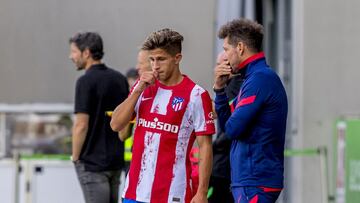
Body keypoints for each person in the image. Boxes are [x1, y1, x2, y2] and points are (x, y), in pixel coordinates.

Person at [111, 28, 215, 203]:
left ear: (177, 58)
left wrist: (202, 192)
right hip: (134, 192)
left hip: (173, 193)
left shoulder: (196, 95)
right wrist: (137, 91)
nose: (155, 66)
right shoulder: (142, 87)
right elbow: (116, 125)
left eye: (161, 59)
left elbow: (205, 146)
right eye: (151, 60)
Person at [213, 18, 288, 203]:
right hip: (249, 180)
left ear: (239, 47)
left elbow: (232, 130)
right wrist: (219, 90)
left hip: (255, 180)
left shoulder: (260, 79)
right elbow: (227, 125)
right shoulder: (252, 78)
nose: (225, 56)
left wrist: (221, 96)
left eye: (226, 50)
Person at [69, 31, 129, 203]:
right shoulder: (119, 79)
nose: (70, 56)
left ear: (86, 53)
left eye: (73, 52)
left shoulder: (85, 82)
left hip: (92, 165)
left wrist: (75, 158)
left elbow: (81, 125)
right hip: (116, 162)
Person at [208, 51, 241, 203]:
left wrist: (213, 147)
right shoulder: (228, 86)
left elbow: (231, 127)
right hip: (225, 166)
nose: (220, 68)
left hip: (225, 167)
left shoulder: (235, 85)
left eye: (225, 63)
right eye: (218, 64)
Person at [121, 50, 152, 170]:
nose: (137, 67)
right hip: (135, 159)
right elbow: (121, 133)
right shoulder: (136, 92)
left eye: (140, 63)